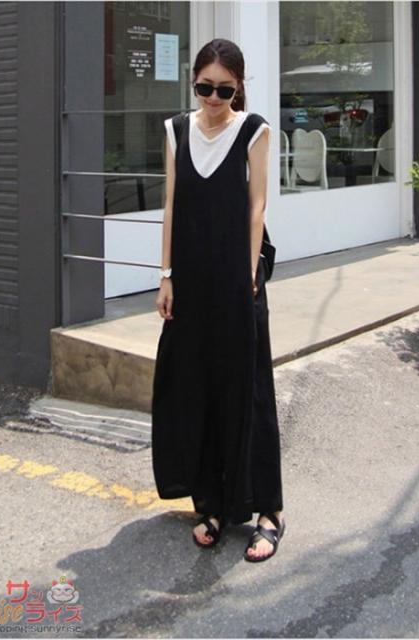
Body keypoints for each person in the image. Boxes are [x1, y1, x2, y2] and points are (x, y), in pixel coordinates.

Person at [151, 38, 285, 562]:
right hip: (191, 280)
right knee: (196, 387)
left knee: (247, 389)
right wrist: (166, 276)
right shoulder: (176, 130)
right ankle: (210, 502)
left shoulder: (254, 130)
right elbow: (170, 205)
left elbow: (256, 208)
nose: (212, 98)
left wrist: (248, 273)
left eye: (224, 90)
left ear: (238, 87)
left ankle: (268, 511)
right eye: (204, 87)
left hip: (236, 279)